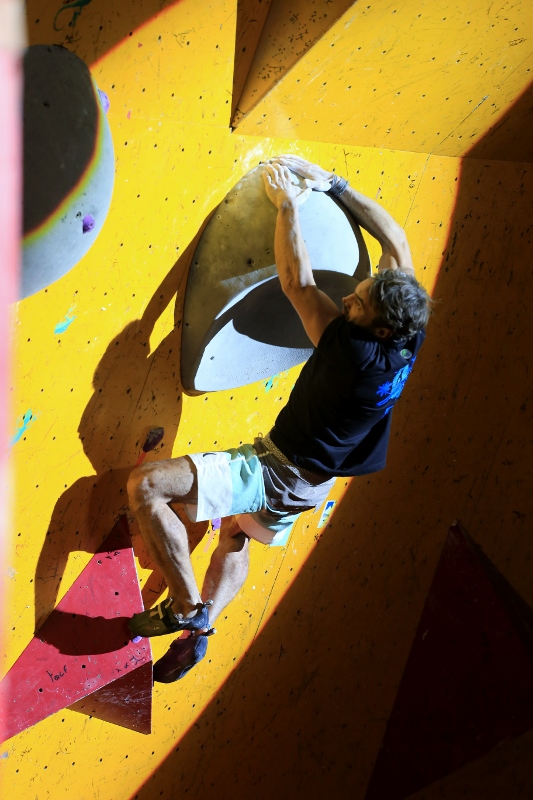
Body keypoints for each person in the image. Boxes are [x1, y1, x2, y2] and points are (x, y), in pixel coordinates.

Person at [127, 154, 432, 683]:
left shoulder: (353, 353)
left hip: (275, 469)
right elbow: (397, 241)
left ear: (378, 330)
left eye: (356, 305)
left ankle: (186, 607)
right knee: (235, 535)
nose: (348, 299)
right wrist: (335, 184)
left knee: (146, 487)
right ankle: (203, 632)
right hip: (313, 483)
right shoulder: (408, 332)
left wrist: (288, 206)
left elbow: (297, 284)